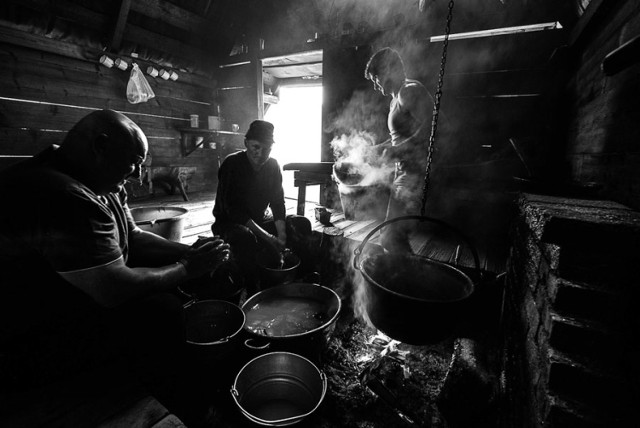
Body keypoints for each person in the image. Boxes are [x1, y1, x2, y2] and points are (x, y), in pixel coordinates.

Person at [0, 109, 230, 425]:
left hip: (79, 288)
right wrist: (187, 268)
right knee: (160, 312)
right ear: (100, 146)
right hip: (27, 337)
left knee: (193, 281)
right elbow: (113, 288)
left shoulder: (101, 179)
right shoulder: (59, 193)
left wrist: (192, 252)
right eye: (134, 163)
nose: (137, 175)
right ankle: (185, 407)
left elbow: (134, 239)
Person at [211, 120, 313, 292]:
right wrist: (269, 238)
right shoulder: (232, 164)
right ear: (246, 143)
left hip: (259, 220)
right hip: (229, 224)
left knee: (301, 223)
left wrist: (281, 236)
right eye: (255, 147)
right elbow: (234, 211)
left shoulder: (273, 166)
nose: (261, 153)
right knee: (245, 237)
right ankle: (253, 288)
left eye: (267, 148)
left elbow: (277, 202)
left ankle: (302, 278)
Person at [365, 47, 434, 253]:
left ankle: (408, 280)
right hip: (403, 171)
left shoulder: (409, 90)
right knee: (389, 236)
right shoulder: (395, 100)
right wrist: (378, 149)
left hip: (416, 173)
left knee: (390, 236)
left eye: (376, 78)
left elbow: (434, 126)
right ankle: (404, 276)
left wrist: (400, 150)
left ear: (387, 70)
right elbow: (398, 138)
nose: (376, 85)